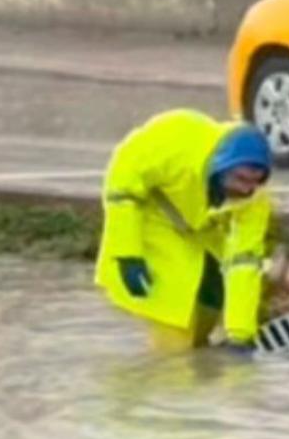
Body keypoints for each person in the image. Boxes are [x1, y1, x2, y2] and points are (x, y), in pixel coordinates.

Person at [95, 109, 272, 356]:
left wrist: (240, 336)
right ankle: (166, 377)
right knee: (173, 335)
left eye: (257, 181)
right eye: (241, 179)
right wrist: (128, 252)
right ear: (221, 167)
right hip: (153, 222)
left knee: (211, 301)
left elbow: (244, 261)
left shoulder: (255, 200)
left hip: (200, 233)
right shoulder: (177, 139)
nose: (248, 189)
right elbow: (123, 184)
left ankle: (196, 362)